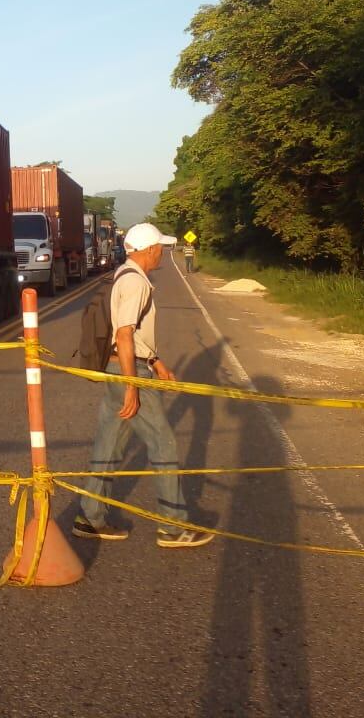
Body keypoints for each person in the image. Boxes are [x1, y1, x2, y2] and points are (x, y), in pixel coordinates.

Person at [73, 222, 214, 548]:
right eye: (160, 248)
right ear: (149, 250)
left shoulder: (124, 275)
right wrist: (132, 385)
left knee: (108, 444)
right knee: (163, 443)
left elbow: (133, 335)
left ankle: (90, 517)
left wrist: (156, 362)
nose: (162, 253)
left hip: (120, 367)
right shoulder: (135, 281)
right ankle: (173, 527)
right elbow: (124, 335)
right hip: (128, 371)